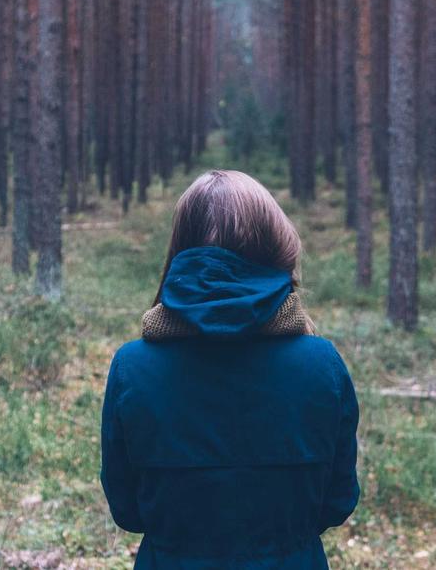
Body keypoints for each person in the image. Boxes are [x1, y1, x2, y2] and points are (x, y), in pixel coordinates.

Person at [100, 170, 360, 569]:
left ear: (180, 249)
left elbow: (128, 512)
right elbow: (337, 503)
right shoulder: (322, 364)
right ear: (275, 249)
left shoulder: (132, 368)